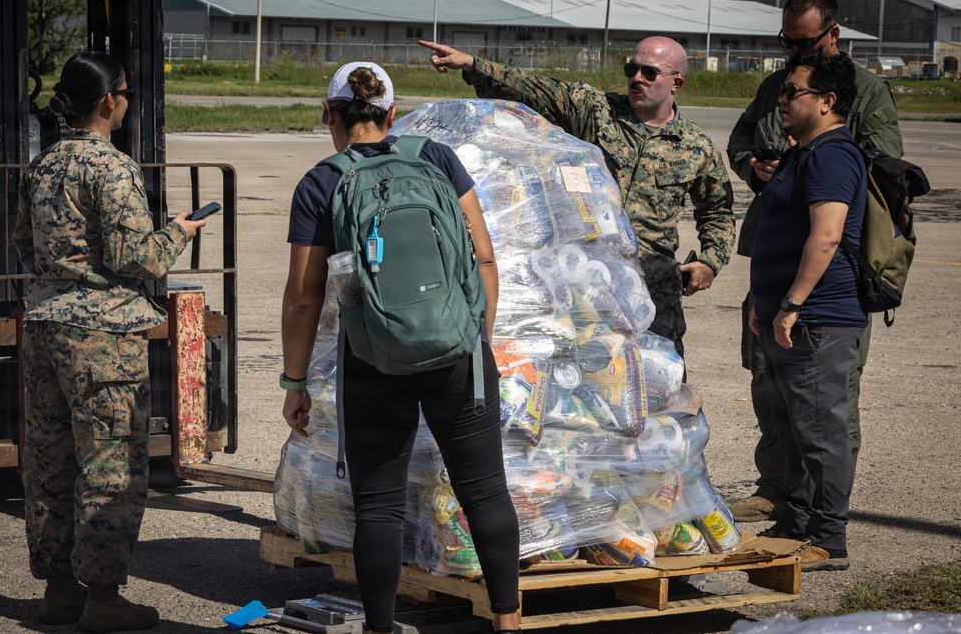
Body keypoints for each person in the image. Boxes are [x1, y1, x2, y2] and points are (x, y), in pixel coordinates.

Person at [279, 62, 520, 634]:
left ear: (328, 114)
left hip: (373, 360)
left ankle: (381, 629)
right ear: (392, 115)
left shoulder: (321, 182)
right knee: (485, 491)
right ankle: (509, 626)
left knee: (380, 507)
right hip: (459, 352)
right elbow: (485, 259)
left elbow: (304, 298)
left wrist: (294, 385)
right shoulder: (436, 158)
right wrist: (473, 344)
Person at [15, 51, 205, 632]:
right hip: (103, 334)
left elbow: (25, 246)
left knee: (50, 458)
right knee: (110, 459)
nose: (127, 100)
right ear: (108, 102)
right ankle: (101, 597)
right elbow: (133, 257)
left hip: (45, 321)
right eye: (124, 91)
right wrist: (179, 231)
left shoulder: (42, 165)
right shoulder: (111, 167)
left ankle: (58, 591)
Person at [418, 36, 734, 362]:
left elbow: (719, 210)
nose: (636, 78)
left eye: (649, 73)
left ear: (676, 82)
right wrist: (472, 64)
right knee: (589, 378)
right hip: (582, 279)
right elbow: (533, 88)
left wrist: (710, 261)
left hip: (654, 287)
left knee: (662, 380)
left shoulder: (695, 146)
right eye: (631, 69)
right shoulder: (595, 111)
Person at [726, 0, 903, 522]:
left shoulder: (865, 92)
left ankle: (827, 511)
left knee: (826, 396)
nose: (794, 52)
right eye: (787, 41)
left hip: (825, 276)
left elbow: (887, 168)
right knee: (769, 380)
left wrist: (810, 167)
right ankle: (779, 487)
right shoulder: (775, 86)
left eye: (803, 42)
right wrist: (752, 167)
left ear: (833, 35)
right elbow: (739, 142)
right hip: (775, 260)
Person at [749, 51, 867, 571]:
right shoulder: (802, 153)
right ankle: (794, 520)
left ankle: (829, 536)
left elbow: (827, 236)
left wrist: (792, 303)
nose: (782, 99)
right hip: (786, 315)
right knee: (793, 427)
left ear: (827, 101)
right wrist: (766, 304)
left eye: (792, 92)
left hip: (817, 319)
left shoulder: (833, 156)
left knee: (820, 430)